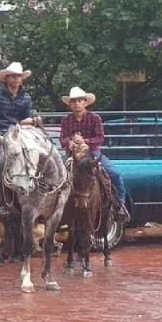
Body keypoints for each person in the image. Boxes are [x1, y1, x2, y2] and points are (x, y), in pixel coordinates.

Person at [59, 86, 130, 223]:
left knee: (114, 175)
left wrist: (84, 141)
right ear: (70, 104)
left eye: (79, 101)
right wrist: (70, 143)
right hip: (72, 154)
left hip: (92, 153)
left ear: (85, 102)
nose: (76, 104)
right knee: (56, 178)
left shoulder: (95, 118)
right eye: (73, 101)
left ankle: (120, 205)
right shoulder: (66, 120)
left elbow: (100, 138)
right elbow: (62, 138)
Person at [0, 62, 39, 215]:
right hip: (0, 134)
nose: (17, 79)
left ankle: (40, 196)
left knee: (38, 157)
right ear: (6, 78)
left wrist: (33, 119)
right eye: (14, 76)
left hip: (20, 134)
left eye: (19, 76)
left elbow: (28, 115)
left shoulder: (26, 97)